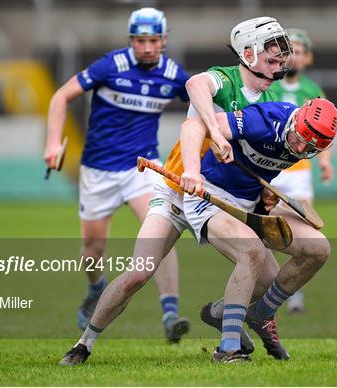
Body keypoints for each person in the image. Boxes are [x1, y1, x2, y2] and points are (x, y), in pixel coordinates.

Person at [57, 16, 294, 367]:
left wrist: (266, 193)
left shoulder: (273, 98)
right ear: (247, 54)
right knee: (139, 271)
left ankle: (219, 314)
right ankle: (84, 344)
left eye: (280, 60)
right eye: (271, 59)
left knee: (269, 280)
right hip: (177, 190)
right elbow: (197, 84)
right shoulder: (222, 79)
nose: (278, 65)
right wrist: (214, 129)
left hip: (221, 200)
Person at [43, 7, 191, 343]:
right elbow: (60, 96)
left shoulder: (172, 74)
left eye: (154, 40)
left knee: (160, 231)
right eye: (141, 41)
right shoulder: (111, 66)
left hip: (143, 167)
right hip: (98, 171)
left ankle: (170, 313)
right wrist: (53, 142)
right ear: (132, 41)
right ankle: (96, 287)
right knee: (93, 249)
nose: (148, 47)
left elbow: (201, 100)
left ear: (164, 40)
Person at [179, 98, 337, 362]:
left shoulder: (301, 144)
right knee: (252, 252)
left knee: (318, 249)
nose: (300, 148)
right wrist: (192, 172)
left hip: (251, 204)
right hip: (209, 196)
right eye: (300, 138)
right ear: (297, 119)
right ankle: (228, 348)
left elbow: (262, 168)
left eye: (309, 147)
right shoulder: (264, 121)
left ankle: (259, 313)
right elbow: (192, 126)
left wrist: (267, 191)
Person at [268, 28, 333, 314]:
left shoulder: (313, 91)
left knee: (306, 229)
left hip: (300, 170)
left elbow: (324, 132)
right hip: (272, 169)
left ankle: (295, 298)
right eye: (287, 49)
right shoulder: (269, 85)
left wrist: (325, 161)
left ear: (308, 57)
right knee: (266, 227)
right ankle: (268, 285)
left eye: (297, 50)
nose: (292, 55)